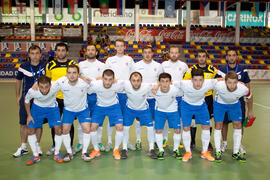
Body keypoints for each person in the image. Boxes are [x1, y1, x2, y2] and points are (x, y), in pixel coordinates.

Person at [216, 49, 254, 154]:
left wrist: (249, 108)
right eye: (229, 55)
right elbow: (215, 83)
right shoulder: (222, 69)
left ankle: (239, 144)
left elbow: (247, 86)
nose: (231, 57)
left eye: (233, 55)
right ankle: (224, 143)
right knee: (224, 123)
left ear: (236, 57)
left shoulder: (243, 69)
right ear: (226, 57)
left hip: (238, 102)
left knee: (239, 124)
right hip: (223, 101)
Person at [13, 45, 46, 158]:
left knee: (38, 124)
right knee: (23, 123)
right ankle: (23, 147)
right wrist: (18, 96)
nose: (35, 56)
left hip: (41, 100)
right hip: (26, 99)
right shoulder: (23, 66)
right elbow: (18, 81)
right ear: (29, 55)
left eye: (37, 53)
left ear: (40, 54)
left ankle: (37, 145)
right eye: (32, 53)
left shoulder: (44, 65)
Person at [54, 65, 92, 162]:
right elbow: (49, 85)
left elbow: (97, 83)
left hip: (82, 110)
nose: (72, 75)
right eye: (69, 73)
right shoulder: (61, 82)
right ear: (66, 74)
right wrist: (36, 84)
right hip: (68, 110)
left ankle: (84, 152)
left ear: (78, 74)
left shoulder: (84, 82)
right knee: (65, 130)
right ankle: (69, 152)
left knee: (87, 129)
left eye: (74, 73)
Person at [213, 71, 252, 163]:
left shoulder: (243, 89)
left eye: (234, 82)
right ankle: (218, 151)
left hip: (234, 105)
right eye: (229, 82)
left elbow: (250, 96)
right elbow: (207, 83)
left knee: (238, 125)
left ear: (238, 82)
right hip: (220, 104)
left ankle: (235, 152)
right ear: (225, 81)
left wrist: (250, 110)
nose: (232, 85)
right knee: (218, 125)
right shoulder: (218, 85)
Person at [45, 42, 76, 156]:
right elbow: (46, 82)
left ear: (67, 52)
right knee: (55, 124)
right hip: (55, 99)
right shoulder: (50, 65)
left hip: (69, 99)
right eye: (58, 50)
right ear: (55, 52)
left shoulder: (72, 64)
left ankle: (70, 146)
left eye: (63, 50)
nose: (61, 52)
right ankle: (55, 145)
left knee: (69, 123)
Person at [24, 76, 63, 165]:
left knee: (58, 129)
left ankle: (57, 153)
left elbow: (67, 78)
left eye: (46, 87)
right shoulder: (32, 91)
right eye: (41, 87)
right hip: (37, 109)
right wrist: (29, 115)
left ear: (50, 85)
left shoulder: (56, 85)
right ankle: (35, 155)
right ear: (38, 85)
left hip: (52, 108)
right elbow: (26, 101)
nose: (44, 90)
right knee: (30, 130)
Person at [104, 39, 135, 152]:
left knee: (125, 119)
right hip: (113, 93)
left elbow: (133, 75)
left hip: (126, 93)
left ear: (124, 47)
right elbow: (105, 75)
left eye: (122, 46)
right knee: (112, 119)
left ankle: (126, 141)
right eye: (118, 46)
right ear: (115, 47)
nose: (120, 48)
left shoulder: (129, 59)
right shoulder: (110, 60)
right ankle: (109, 142)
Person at [181, 68, 217, 162]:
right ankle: (188, 152)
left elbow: (222, 80)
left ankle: (204, 152)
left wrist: (239, 83)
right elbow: (170, 83)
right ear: (191, 80)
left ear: (204, 80)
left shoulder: (209, 83)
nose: (198, 83)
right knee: (186, 128)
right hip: (186, 106)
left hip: (201, 106)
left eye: (200, 80)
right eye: (195, 80)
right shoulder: (184, 83)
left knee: (206, 126)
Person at [183, 50, 216, 151]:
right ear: (197, 57)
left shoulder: (212, 69)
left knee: (208, 122)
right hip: (195, 97)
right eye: (200, 56)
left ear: (206, 57)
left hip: (208, 98)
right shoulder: (191, 69)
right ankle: (192, 141)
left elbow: (218, 82)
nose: (201, 58)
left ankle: (208, 142)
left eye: (203, 56)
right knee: (193, 121)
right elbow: (185, 82)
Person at [88, 69, 124, 160]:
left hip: (114, 106)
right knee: (92, 127)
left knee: (120, 127)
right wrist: (95, 80)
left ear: (113, 79)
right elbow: (88, 90)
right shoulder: (96, 84)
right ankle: (96, 149)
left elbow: (128, 83)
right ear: (102, 78)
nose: (107, 82)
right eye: (105, 79)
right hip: (100, 107)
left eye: (110, 79)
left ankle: (116, 150)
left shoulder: (118, 84)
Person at [132, 46, 163, 150]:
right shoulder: (136, 65)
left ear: (152, 53)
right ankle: (138, 140)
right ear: (142, 54)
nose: (147, 54)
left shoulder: (158, 66)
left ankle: (153, 140)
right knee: (138, 119)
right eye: (145, 52)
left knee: (153, 120)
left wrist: (157, 85)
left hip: (154, 98)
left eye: (149, 52)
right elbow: (132, 79)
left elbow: (161, 79)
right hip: (140, 97)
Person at [76, 44, 105, 153]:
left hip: (97, 96)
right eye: (88, 50)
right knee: (82, 120)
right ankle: (81, 142)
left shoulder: (102, 65)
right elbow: (77, 76)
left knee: (98, 121)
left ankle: (98, 141)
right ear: (86, 52)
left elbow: (104, 77)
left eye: (93, 50)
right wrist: (83, 77)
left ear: (96, 52)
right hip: (83, 96)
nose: (91, 52)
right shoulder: (81, 64)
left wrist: (92, 79)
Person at [121, 72, 156, 159]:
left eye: (138, 81)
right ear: (130, 81)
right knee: (125, 128)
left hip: (144, 109)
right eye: (133, 80)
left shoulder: (147, 86)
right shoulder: (125, 84)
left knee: (150, 128)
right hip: (130, 109)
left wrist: (158, 85)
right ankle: (124, 149)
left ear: (141, 81)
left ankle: (151, 149)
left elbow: (160, 84)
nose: (136, 83)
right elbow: (112, 81)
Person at [161, 45, 188, 148]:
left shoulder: (184, 65)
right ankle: (165, 138)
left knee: (179, 119)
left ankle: (178, 138)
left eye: (176, 52)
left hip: (180, 96)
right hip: (166, 96)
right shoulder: (164, 65)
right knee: (166, 118)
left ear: (179, 53)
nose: (174, 54)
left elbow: (187, 80)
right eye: (172, 52)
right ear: (169, 53)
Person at [152, 73, 182, 160]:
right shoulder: (154, 89)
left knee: (177, 130)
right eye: (162, 81)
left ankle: (176, 150)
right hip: (160, 111)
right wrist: (156, 86)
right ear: (159, 82)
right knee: (158, 130)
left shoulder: (176, 90)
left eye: (167, 81)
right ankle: (161, 150)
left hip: (173, 111)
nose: (165, 84)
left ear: (170, 82)